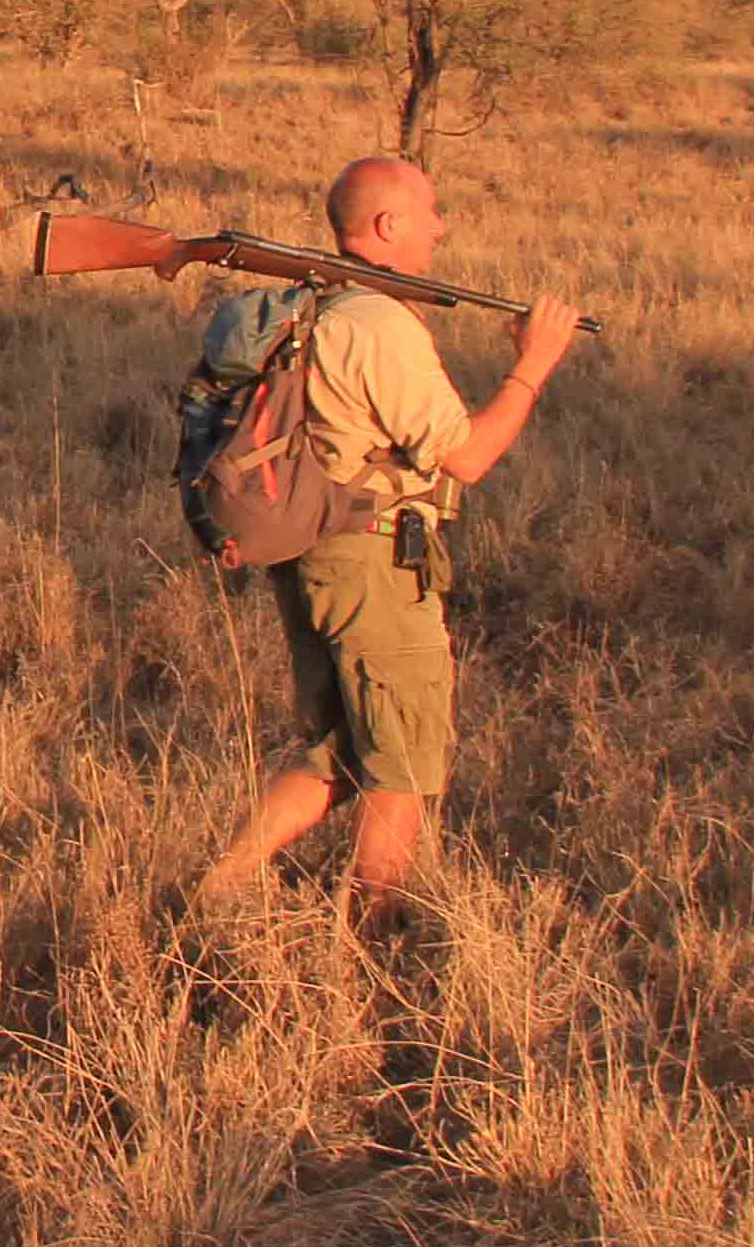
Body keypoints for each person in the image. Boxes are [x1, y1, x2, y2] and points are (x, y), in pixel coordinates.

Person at [192, 155, 586, 928]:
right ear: (386, 227)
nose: (441, 226)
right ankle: (369, 943)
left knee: (340, 748)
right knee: (402, 763)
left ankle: (216, 892)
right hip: (373, 561)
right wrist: (533, 367)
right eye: (430, 211)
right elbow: (467, 456)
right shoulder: (377, 323)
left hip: (317, 550)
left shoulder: (322, 304)